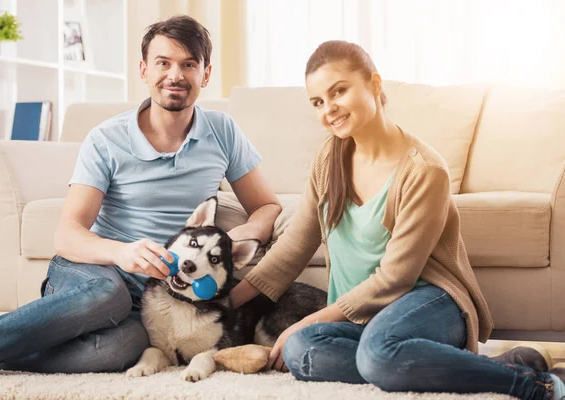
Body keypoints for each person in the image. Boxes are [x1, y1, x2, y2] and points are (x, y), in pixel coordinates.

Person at [229, 40, 565, 400]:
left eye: (338, 91)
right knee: (301, 352)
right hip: (363, 318)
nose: (330, 109)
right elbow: (293, 248)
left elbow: (395, 278)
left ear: (374, 84)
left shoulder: (424, 170)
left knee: (375, 355)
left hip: (427, 302)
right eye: (318, 102)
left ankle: (537, 385)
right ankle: (485, 364)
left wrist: (309, 319)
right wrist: (225, 302)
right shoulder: (329, 159)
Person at [0, 15, 281, 375]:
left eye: (189, 64)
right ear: (144, 70)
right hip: (95, 273)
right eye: (164, 63)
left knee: (122, 349)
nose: (175, 75)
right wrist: (121, 252)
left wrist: (239, 235)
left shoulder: (222, 131)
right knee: (109, 294)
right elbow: (67, 233)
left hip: (157, 293)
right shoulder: (106, 139)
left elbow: (267, 206)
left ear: (205, 75)